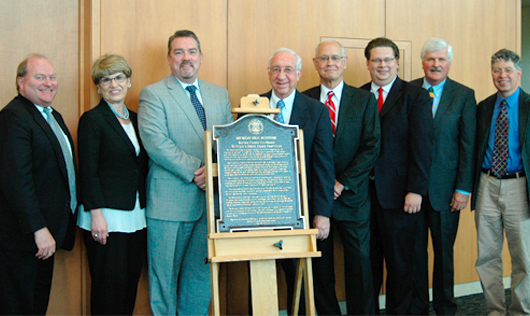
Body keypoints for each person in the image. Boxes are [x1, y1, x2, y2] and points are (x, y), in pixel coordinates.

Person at [138, 29, 234, 315]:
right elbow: (156, 143)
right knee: (164, 279)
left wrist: (215, 173)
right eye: (178, 52)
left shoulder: (220, 94)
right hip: (170, 204)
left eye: (191, 52)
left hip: (210, 204)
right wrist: (199, 171)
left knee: (200, 277)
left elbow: (229, 141)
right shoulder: (153, 94)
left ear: (201, 57)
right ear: (169, 59)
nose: (186, 58)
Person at [303, 39, 380, 315]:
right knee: (320, 268)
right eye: (324, 58)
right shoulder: (304, 100)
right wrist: (323, 187)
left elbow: (372, 146)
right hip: (316, 200)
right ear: (315, 64)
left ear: (345, 62)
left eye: (336, 58)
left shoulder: (364, 100)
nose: (330, 63)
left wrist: (342, 182)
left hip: (353, 197)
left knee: (360, 265)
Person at [360, 37, 434, 315]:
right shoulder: (359, 95)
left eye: (388, 59)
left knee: (401, 265)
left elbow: (423, 146)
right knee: (367, 265)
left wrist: (416, 189)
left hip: (402, 196)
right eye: (376, 60)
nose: (382, 65)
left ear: (398, 62)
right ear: (367, 64)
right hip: (363, 198)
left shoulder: (415, 95)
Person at [0, 54, 77, 315]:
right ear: (21, 82)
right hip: (24, 237)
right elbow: (16, 180)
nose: (49, 83)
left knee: (36, 304)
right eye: (40, 77)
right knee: (19, 306)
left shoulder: (50, 114)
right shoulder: (14, 117)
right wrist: (38, 228)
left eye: (52, 77)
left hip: (45, 235)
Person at [263, 47, 335, 315]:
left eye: (288, 70)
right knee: (261, 274)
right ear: (268, 73)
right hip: (259, 212)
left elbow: (323, 166)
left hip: (300, 212)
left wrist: (322, 213)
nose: (282, 76)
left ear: (299, 74)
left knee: (301, 278)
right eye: (276, 69)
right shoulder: (251, 105)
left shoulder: (316, 110)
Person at [409, 38, 476, 316]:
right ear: (422, 62)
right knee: (414, 255)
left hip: (447, 192)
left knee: (443, 255)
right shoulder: (408, 90)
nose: (436, 64)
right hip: (411, 191)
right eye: (430, 59)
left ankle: (445, 307)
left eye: (441, 60)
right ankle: (418, 307)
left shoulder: (463, 95)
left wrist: (463, 188)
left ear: (449, 63)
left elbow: (468, 145)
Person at [77, 54, 148, 315]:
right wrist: (96, 216)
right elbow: (88, 171)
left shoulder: (139, 119)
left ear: (128, 81)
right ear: (98, 87)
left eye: (119, 77)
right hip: (106, 218)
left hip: (137, 215)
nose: (113, 84)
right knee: (109, 289)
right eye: (105, 80)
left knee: (129, 284)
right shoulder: (92, 120)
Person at [472, 48, 530, 316]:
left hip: (519, 186)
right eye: (497, 70)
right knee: (487, 255)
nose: (502, 75)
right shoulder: (483, 107)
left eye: (508, 70)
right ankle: (494, 310)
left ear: (518, 73)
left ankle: (520, 311)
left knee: (524, 258)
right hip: (487, 184)